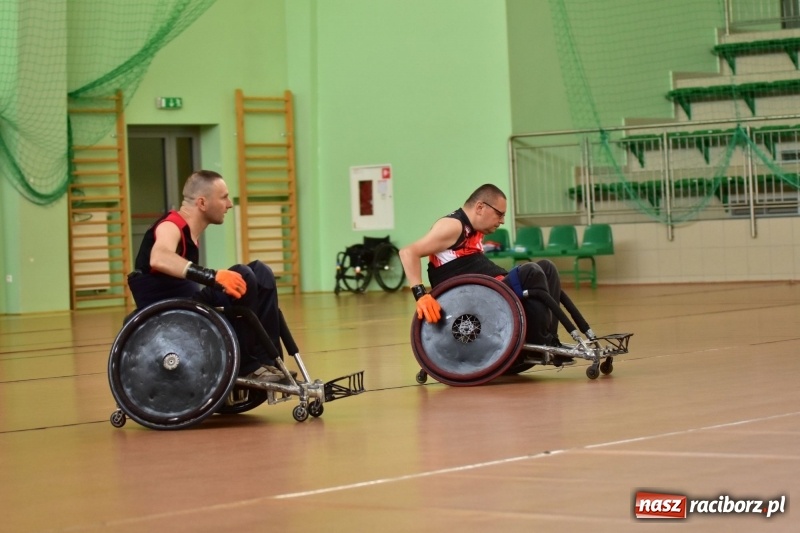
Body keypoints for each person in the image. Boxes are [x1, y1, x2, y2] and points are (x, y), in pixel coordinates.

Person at [127, 170, 288, 384]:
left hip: (187, 303)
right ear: (202, 203)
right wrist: (212, 277)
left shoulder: (191, 233)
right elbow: (159, 257)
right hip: (167, 312)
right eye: (224, 197)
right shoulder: (171, 225)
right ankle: (245, 366)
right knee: (243, 275)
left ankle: (267, 359)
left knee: (260, 272)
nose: (229, 204)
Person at [398, 183, 594, 360]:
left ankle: (549, 340)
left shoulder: (474, 230)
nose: (501, 221)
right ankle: (540, 342)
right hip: (471, 301)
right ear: (480, 207)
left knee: (547, 268)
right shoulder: (452, 226)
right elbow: (408, 252)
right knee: (531, 271)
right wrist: (421, 295)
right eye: (499, 214)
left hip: (489, 292)